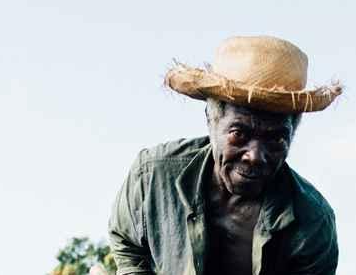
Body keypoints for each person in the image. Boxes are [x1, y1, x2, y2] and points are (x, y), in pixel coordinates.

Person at [108, 35, 343, 275]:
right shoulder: (152, 176)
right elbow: (127, 242)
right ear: (211, 120)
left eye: (276, 139)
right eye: (239, 133)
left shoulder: (313, 223)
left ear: (293, 134)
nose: (254, 155)